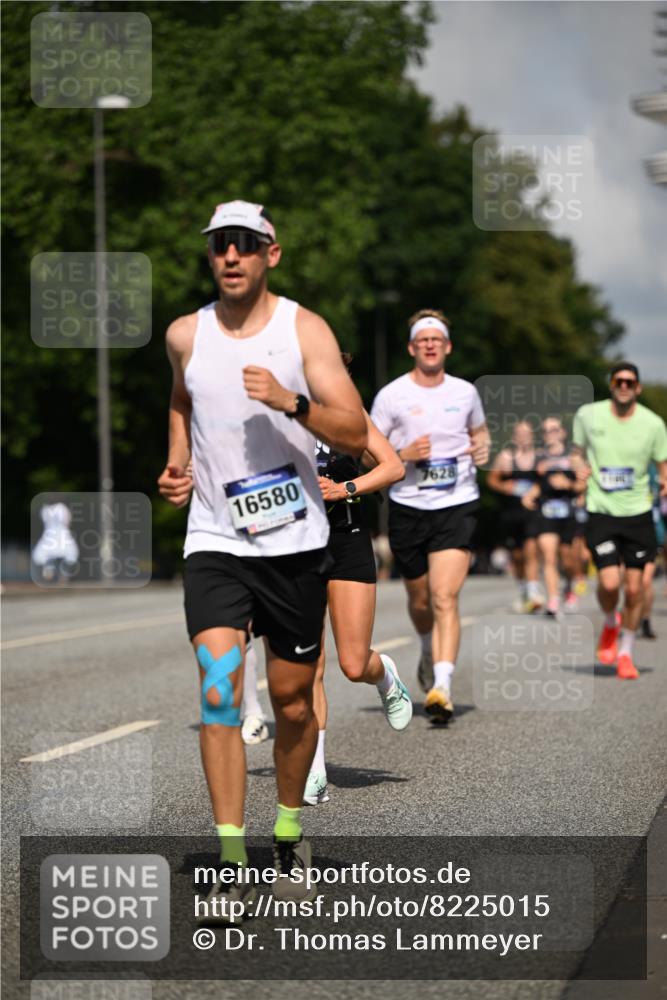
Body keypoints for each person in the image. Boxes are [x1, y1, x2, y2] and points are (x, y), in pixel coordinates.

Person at [157, 200, 367, 912]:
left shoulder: (302, 330)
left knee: (291, 703)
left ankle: (284, 831)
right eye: (220, 244)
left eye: (246, 244)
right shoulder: (185, 333)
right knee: (218, 689)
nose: (231, 256)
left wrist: (291, 402)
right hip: (216, 538)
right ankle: (229, 853)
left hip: (296, 544)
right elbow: (183, 398)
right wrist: (177, 462)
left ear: (271, 253)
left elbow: (357, 429)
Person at [370, 309, 490, 723]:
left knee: (444, 596)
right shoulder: (391, 395)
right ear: (411, 347)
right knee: (420, 599)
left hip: (457, 502)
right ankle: (426, 646)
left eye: (437, 338)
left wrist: (484, 449)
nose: (430, 344)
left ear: (447, 346)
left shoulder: (465, 393)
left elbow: (481, 435)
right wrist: (403, 455)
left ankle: (442, 686)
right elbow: (369, 448)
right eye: (422, 339)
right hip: (407, 506)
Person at [572, 362, 667, 678]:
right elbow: (576, 452)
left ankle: (626, 651)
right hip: (601, 510)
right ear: (611, 386)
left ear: (637, 387)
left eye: (630, 382)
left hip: (639, 512)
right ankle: (611, 621)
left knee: (636, 588)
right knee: (610, 583)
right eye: (618, 381)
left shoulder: (653, 424)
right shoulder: (588, 415)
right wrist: (578, 468)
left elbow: (662, 463)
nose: (624, 386)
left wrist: (665, 481)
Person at [522, 417, 583, 617]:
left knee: (568, 560)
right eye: (546, 431)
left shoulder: (573, 458)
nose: (550, 434)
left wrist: (569, 485)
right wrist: (530, 494)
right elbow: (536, 484)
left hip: (568, 512)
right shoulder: (538, 458)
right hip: (546, 512)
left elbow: (584, 485)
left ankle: (570, 586)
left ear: (563, 433)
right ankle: (553, 601)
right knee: (548, 557)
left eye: (554, 430)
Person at [487, 420, 543, 613]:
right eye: (519, 433)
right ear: (514, 437)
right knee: (517, 557)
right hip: (511, 514)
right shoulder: (505, 457)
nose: (523, 437)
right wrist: (505, 486)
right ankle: (523, 591)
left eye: (527, 433)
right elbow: (491, 479)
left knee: (531, 552)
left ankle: (534, 593)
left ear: (532, 436)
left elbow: (548, 481)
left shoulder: (540, 458)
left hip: (533, 513)